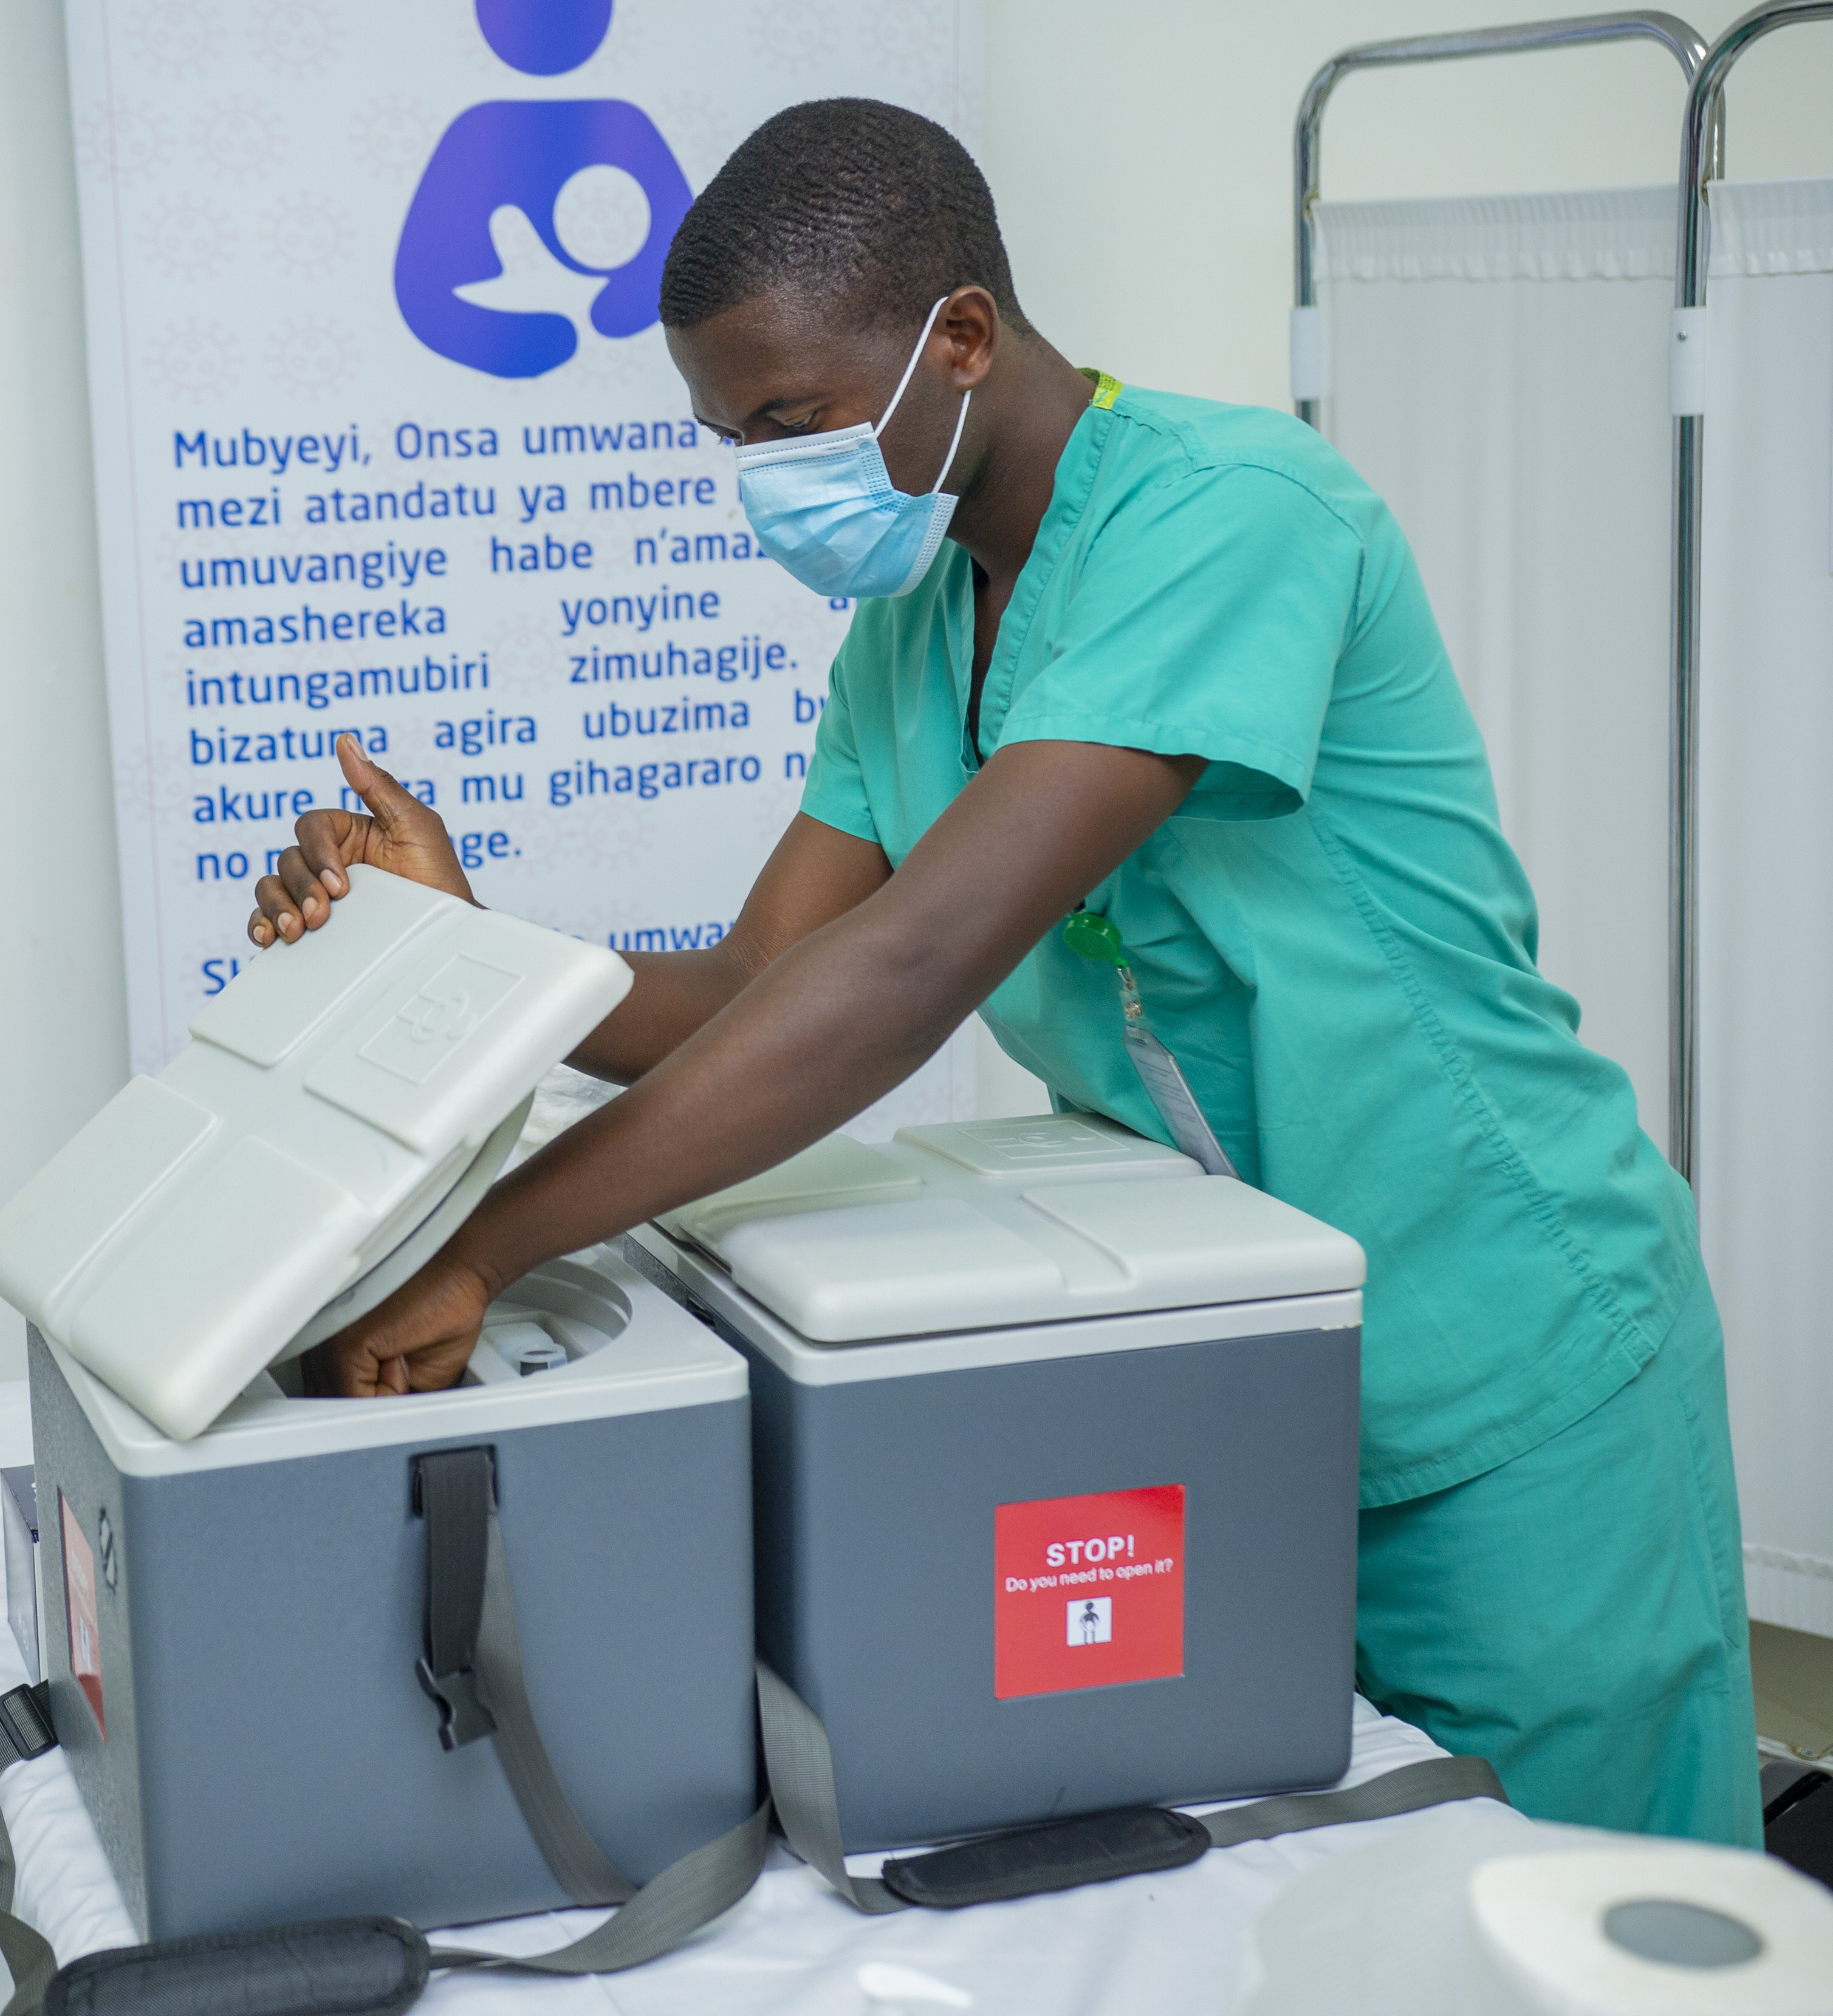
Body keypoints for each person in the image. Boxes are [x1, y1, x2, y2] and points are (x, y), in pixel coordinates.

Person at [248, 99, 1756, 1848]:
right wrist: (465, 946)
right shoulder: (907, 630)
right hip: (1226, 1367)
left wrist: (487, 1247)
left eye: (790, 419)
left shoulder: (1236, 512)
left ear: (961, 335)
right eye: (731, 438)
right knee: (1325, 1909)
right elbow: (759, 980)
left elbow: (908, 970)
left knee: (1578, 1913)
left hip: (1501, 1358)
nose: (761, 478)